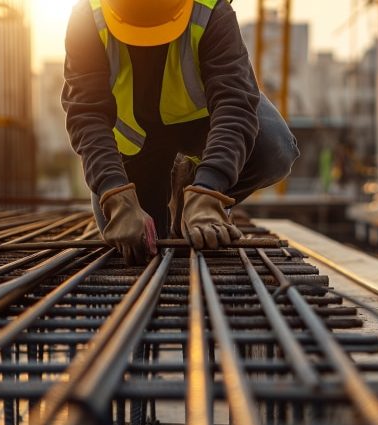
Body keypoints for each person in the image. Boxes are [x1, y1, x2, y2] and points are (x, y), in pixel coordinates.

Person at [62, 0, 299, 265]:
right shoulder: (87, 17)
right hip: (136, 147)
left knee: (274, 147)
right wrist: (114, 193)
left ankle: (193, 189)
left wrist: (210, 188)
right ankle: (175, 199)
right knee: (141, 246)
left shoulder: (210, 11)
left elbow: (234, 103)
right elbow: (87, 114)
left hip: (200, 125)